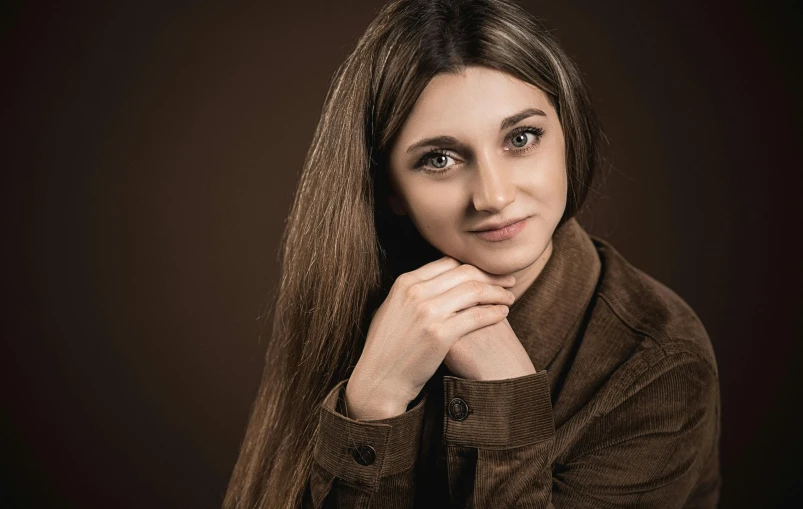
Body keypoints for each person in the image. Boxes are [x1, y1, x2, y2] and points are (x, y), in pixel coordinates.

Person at [223, 0, 721, 507]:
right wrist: (373, 402)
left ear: (567, 135)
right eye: (440, 159)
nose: (494, 196)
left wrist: (506, 396)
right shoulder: (350, 305)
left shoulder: (657, 364)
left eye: (521, 138)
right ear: (389, 186)